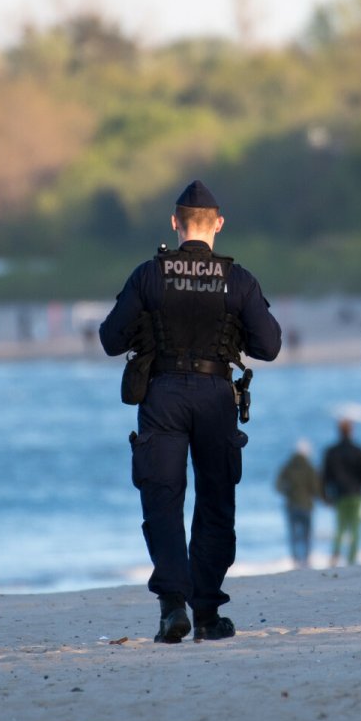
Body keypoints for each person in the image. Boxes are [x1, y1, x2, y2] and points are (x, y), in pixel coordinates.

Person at [99, 180, 282, 643]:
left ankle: (171, 607)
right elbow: (269, 345)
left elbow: (109, 339)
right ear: (218, 225)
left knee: (163, 499)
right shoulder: (237, 279)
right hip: (216, 395)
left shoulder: (148, 275)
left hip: (161, 394)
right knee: (216, 502)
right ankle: (205, 612)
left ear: (175, 223)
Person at [321, 418, 361, 566]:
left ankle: (335, 556)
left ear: (339, 431)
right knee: (355, 528)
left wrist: (325, 495)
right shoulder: (358, 450)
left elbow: (325, 476)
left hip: (339, 495)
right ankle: (351, 559)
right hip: (356, 494)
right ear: (351, 431)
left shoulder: (331, 452)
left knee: (340, 527)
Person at [275, 439, 321, 568]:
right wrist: (323, 499)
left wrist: (288, 493)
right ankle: (306, 560)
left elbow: (278, 486)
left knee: (294, 535)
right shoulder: (310, 467)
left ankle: (295, 560)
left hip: (291, 506)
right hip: (306, 506)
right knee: (306, 535)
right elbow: (316, 488)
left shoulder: (287, 466)